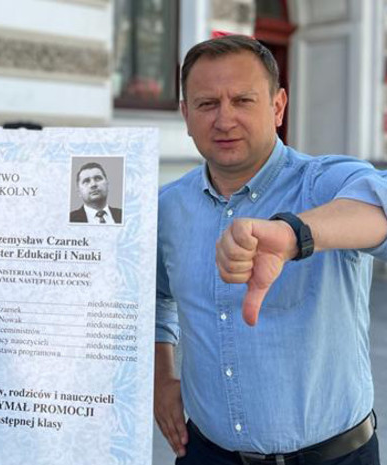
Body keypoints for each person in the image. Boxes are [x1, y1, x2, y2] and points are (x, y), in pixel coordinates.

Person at [154, 35, 387, 464]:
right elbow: (153, 298)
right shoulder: (167, 207)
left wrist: (295, 233)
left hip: (334, 457)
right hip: (207, 454)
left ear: (278, 107)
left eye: (243, 100)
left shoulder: (325, 183)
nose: (224, 119)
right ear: (186, 115)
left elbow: (382, 205)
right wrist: (161, 376)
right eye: (207, 104)